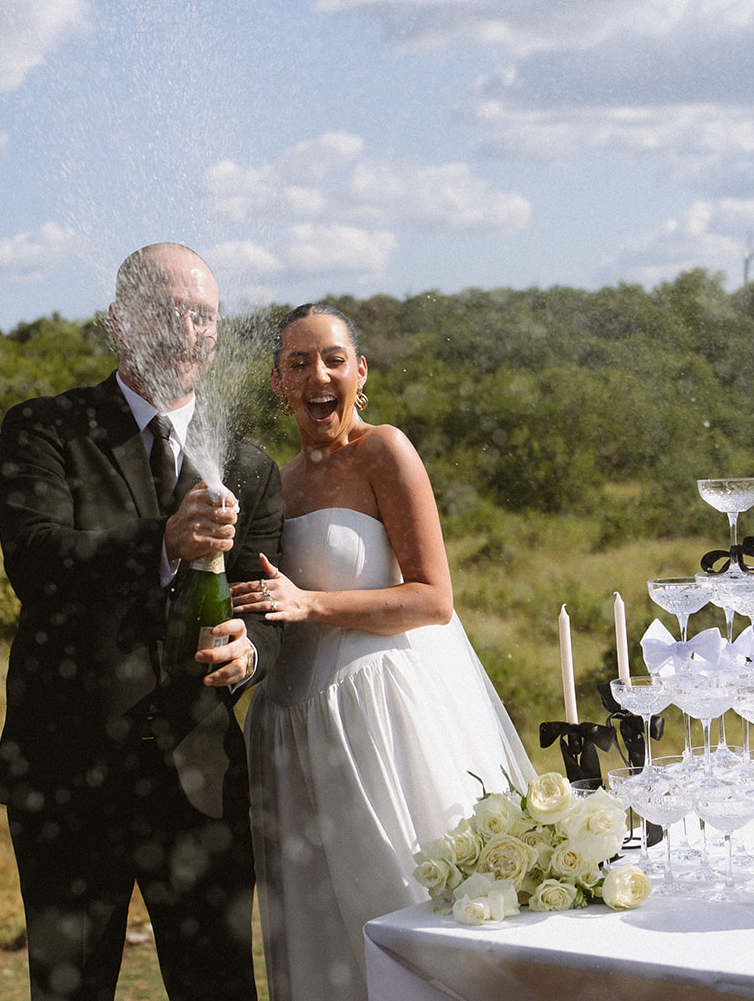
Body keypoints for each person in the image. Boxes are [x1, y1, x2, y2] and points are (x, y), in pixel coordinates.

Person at [0, 243, 282, 1001]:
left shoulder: (248, 465)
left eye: (204, 316)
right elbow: (36, 561)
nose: (189, 332)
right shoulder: (47, 429)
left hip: (200, 779)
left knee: (219, 989)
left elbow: (268, 607)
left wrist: (252, 651)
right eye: (168, 313)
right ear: (120, 322)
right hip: (67, 775)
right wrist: (163, 541)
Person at [232, 303, 535, 1001]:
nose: (319, 375)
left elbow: (433, 598)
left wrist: (313, 604)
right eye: (299, 362)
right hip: (291, 727)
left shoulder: (384, 451)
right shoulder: (274, 482)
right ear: (279, 382)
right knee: (316, 922)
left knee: (399, 896)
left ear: (360, 371)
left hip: (379, 718)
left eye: (334, 359)